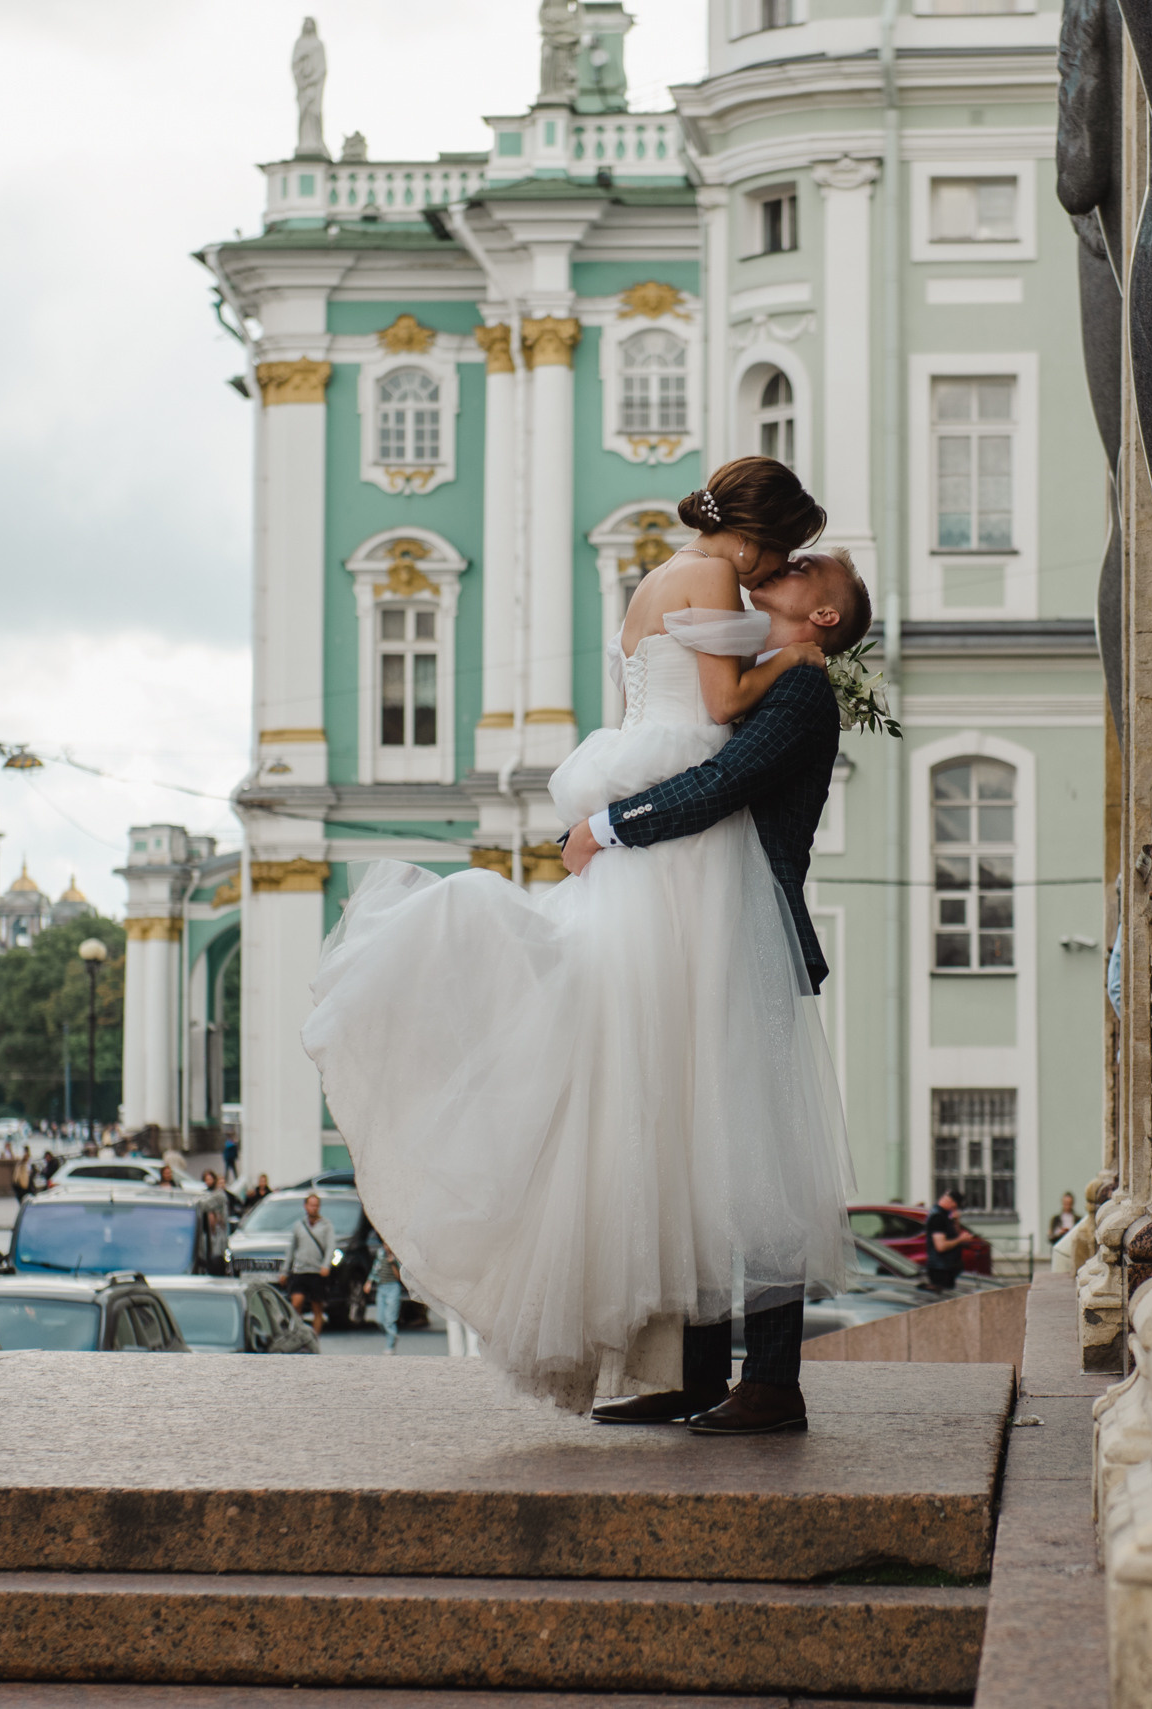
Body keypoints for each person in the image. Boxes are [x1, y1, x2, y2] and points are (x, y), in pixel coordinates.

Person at [305, 457, 874, 1430]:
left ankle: (771, 1379)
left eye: (805, 570)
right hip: (690, 913)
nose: (790, 566)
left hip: (741, 933)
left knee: (751, 1150)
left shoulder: (801, 692)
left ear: (820, 615)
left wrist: (604, 827)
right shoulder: (741, 637)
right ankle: (694, 1373)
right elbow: (698, 744)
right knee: (689, 1140)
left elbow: (713, 786)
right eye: (790, 551)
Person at [285, 1192, 337, 1336]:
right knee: (296, 1303)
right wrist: (284, 1271)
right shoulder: (299, 1225)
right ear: (305, 1206)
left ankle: (314, 1338)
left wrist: (326, 1265)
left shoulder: (326, 1225)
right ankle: (298, 1334)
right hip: (300, 1270)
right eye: (311, 1205)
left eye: (316, 1205)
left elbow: (330, 1246)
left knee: (317, 1308)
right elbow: (291, 1249)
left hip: (317, 1272)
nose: (313, 1208)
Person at [367, 1230, 406, 1355]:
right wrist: (369, 1281)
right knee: (380, 1319)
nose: (386, 1247)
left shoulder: (396, 1257)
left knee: (390, 1318)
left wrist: (393, 1263)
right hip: (381, 1286)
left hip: (393, 1287)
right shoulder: (380, 1254)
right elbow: (376, 1268)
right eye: (384, 1244)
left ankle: (390, 1344)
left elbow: (399, 1277)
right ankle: (392, 1334)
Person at [922, 1191, 968, 1294]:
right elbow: (941, 1246)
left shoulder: (945, 1215)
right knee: (943, 1298)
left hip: (946, 1267)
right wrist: (961, 1239)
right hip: (940, 1269)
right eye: (955, 1206)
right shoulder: (937, 1218)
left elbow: (954, 1235)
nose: (955, 1209)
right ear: (951, 1202)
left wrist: (956, 1221)